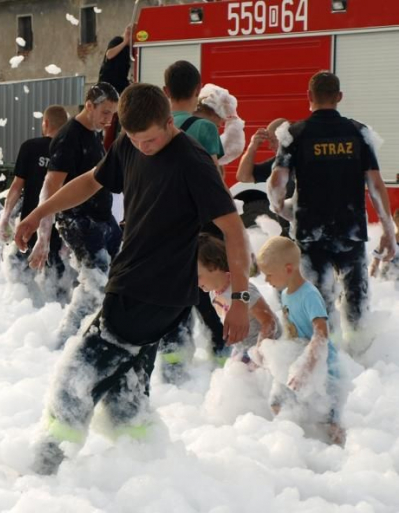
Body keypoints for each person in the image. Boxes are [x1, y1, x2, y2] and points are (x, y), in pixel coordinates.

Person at [15, 83, 250, 475]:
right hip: (140, 286)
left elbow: (234, 231)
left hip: (150, 291)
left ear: (169, 123)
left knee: (76, 377)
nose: (144, 147)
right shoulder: (129, 143)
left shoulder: (193, 162)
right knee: (126, 385)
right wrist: (40, 213)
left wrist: (239, 299)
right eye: (136, 140)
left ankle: (43, 466)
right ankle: (144, 463)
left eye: (151, 139)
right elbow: (90, 180)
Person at [269, 71, 396, 348]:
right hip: (351, 230)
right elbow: (375, 185)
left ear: (309, 96)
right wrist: (389, 230)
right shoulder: (358, 132)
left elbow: (277, 183)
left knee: (317, 298)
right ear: (339, 97)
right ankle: (359, 353)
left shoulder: (294, 133)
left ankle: (326, 353)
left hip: (310, 231)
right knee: (356, 297)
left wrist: (281, 208)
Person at [29, 83, 121, 348]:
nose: (109, 120)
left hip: (102, 218)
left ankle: (103, 334)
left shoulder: (93, 132)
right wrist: (43, 237)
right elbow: (49, 188)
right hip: (78, 221)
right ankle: (65, 342)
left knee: (117, 275)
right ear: (89, 106)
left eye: (113, 114)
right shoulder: (69, 137)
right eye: (105, 112)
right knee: (95, 284)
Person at [159, 61, 228, 381]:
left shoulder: (154, 127)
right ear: (198, 91)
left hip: (163, 227)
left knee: (173, 297)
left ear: (166, 91)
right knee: (206, 293)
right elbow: (214, 181)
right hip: (198, 225)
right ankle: (221, 359)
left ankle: (173, 370)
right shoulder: (205, 128)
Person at [254, 236, 346, 445]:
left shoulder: (309, 295)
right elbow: (293, 332)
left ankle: (341, 454)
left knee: (329, 423)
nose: (266, 280)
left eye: (269, 274)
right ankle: (300, 446)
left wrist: (307, 365)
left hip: (325, 367)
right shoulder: (286, 294)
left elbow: (322, 334)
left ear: (288, 269)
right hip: (299, 359)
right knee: (277, 403)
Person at [0, 105, 69, 298]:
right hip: (62, 227)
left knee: (20, 280)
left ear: (45, 123)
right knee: (59, 282)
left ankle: (22, 308)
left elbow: (16, 187)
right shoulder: (71, 150)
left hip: (31, 224)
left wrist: (4, 218)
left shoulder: (30, 147)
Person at [198, 233, 280, 365]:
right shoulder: (213, 292)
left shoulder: (241, 290)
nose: (194, 282)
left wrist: (259, 353)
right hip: (244, 348)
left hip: (265, 349)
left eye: (197, 276)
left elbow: (270, 321)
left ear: (213, 266)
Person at [235, 117, 292, 234]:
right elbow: (243, 177)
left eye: (273, 141)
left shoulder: (306, 159)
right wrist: (252, 147)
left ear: (284, 137)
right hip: (289, 228)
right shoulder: (277, 163)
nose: (270, 146)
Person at [99, 24, 133, 149]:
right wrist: (125, 42)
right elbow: (109, 54)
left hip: (121, 85)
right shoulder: (117, 41)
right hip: (108, 85)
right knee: (109, 116)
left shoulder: (130, 50)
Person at [195, 84, 245, 166]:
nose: (220, 125)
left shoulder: (178, 119)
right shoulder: (206, 129)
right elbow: (232, 148)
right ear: (214, 114)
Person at [369, 208, 399, 280]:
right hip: (388, 276)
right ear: (395, 221)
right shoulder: (388, 240)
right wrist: (373, 272)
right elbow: (376, 260)